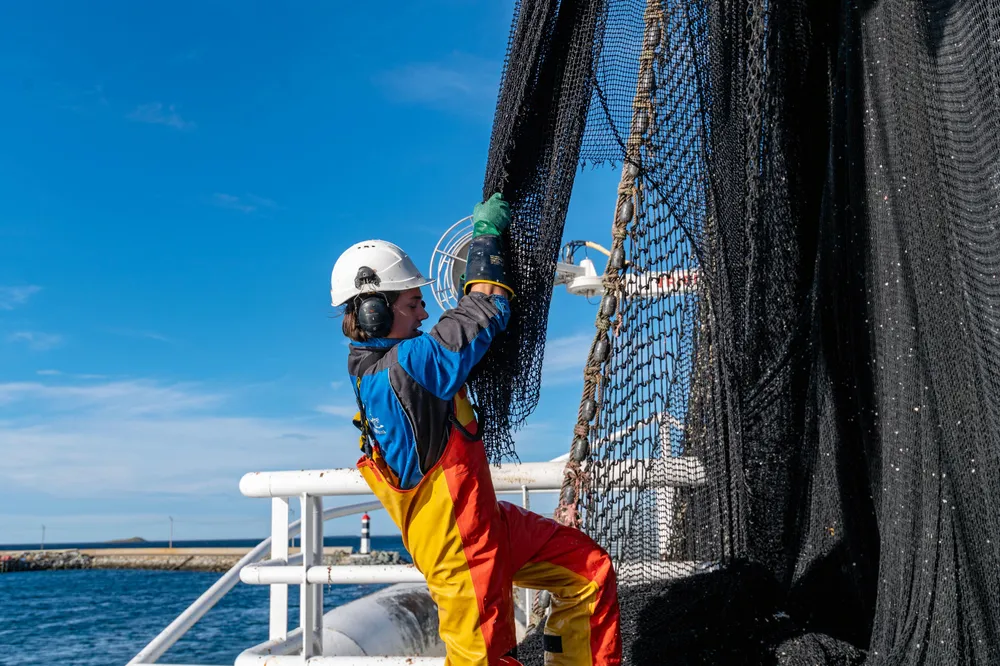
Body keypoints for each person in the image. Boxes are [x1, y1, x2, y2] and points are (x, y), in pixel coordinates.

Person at [329, 194, 622, 666]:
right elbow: (487, 307)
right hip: (458, 548)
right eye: (414, 303)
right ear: (374, 313)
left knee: (587, 572)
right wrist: (485, 237)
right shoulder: (409, 366)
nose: (424, 314)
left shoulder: (370, 369)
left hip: (486, 521)